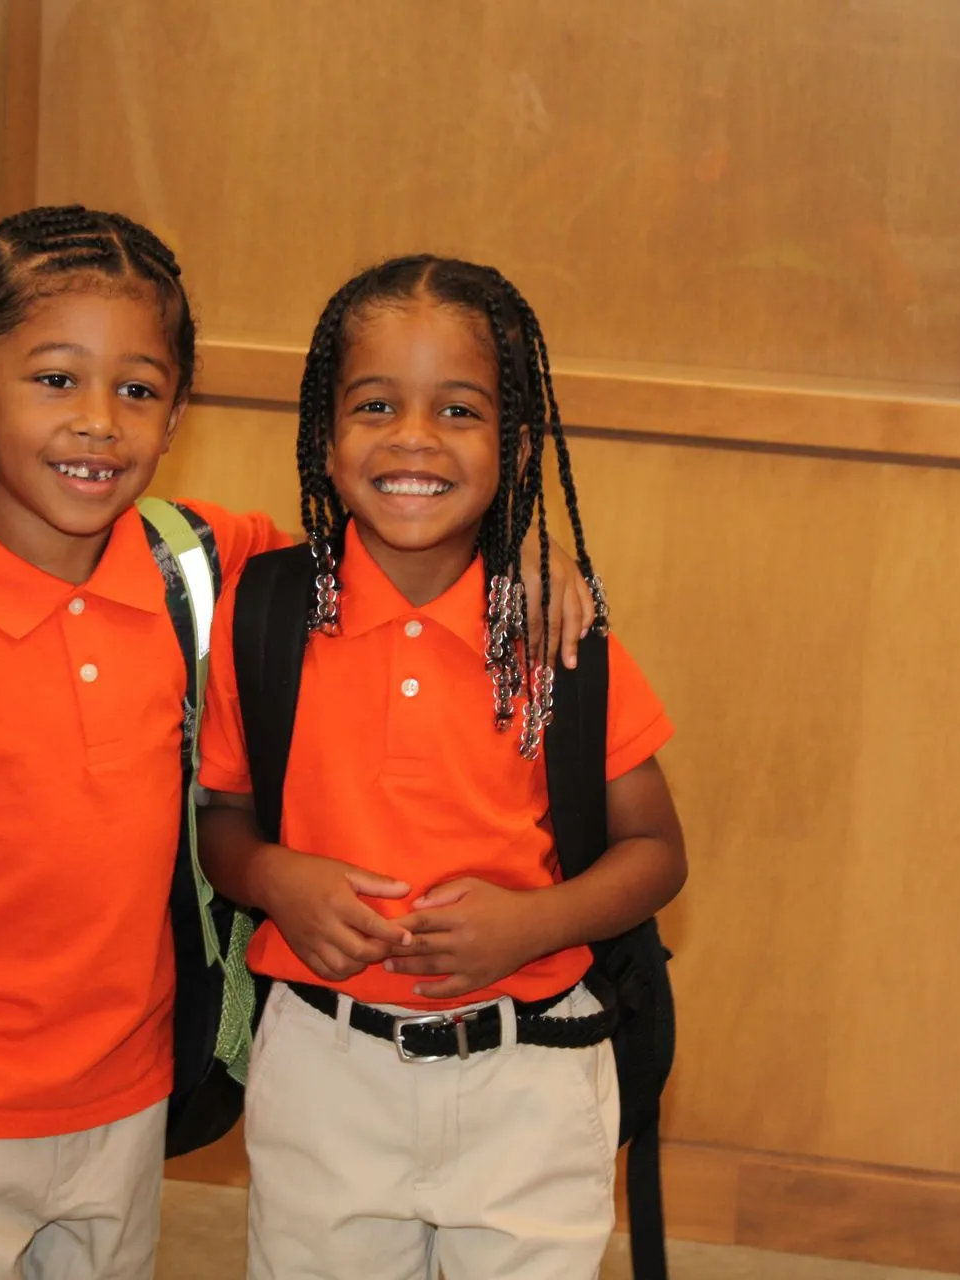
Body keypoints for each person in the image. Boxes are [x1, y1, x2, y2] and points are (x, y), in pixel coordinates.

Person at [0, 208, 597, 1280]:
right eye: (55, 379)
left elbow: (393, 531)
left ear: (178, 410)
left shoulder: (191, 565)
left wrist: (518, 560)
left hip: (126, 1097)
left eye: (138, 389)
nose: (99, 422)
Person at [195, 255, 689, 1280]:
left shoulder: (559, 636)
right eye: (376, 404)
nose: (413, 437)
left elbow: (657, 849)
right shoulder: (264, 613)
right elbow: (222, 822)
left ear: (512, 448)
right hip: (323, 1071)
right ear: (325, 442)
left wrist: (535, 920)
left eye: (458, 410)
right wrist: (277, 877)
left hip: (533, 1076)